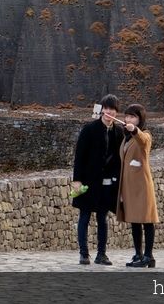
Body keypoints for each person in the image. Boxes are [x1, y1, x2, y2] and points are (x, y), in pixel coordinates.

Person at [71, 94, 124, 265]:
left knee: (103, 218)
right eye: (106, 108)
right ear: (102, 110)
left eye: (112, 109)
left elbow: (120, 158)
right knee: (84, 216)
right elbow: (79, 156)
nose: (109, 112)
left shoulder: (119, 132)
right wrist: (77, 179)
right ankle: (83, 253)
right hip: (88, 180)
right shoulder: (89, 129)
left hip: (107, 183)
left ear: (116, 112)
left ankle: (101, 254)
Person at [117, 103, 159, 268]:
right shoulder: (125, 138)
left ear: (140, 119)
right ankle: (138, 253)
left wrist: (134, 130)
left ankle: (149, 256)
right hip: (129, 187)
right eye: (127, 116)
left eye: (133, 116)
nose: (128, 119)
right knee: (134, 220)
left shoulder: (144, 136)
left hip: (142, 186)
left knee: (147, 220)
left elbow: (143, 139)